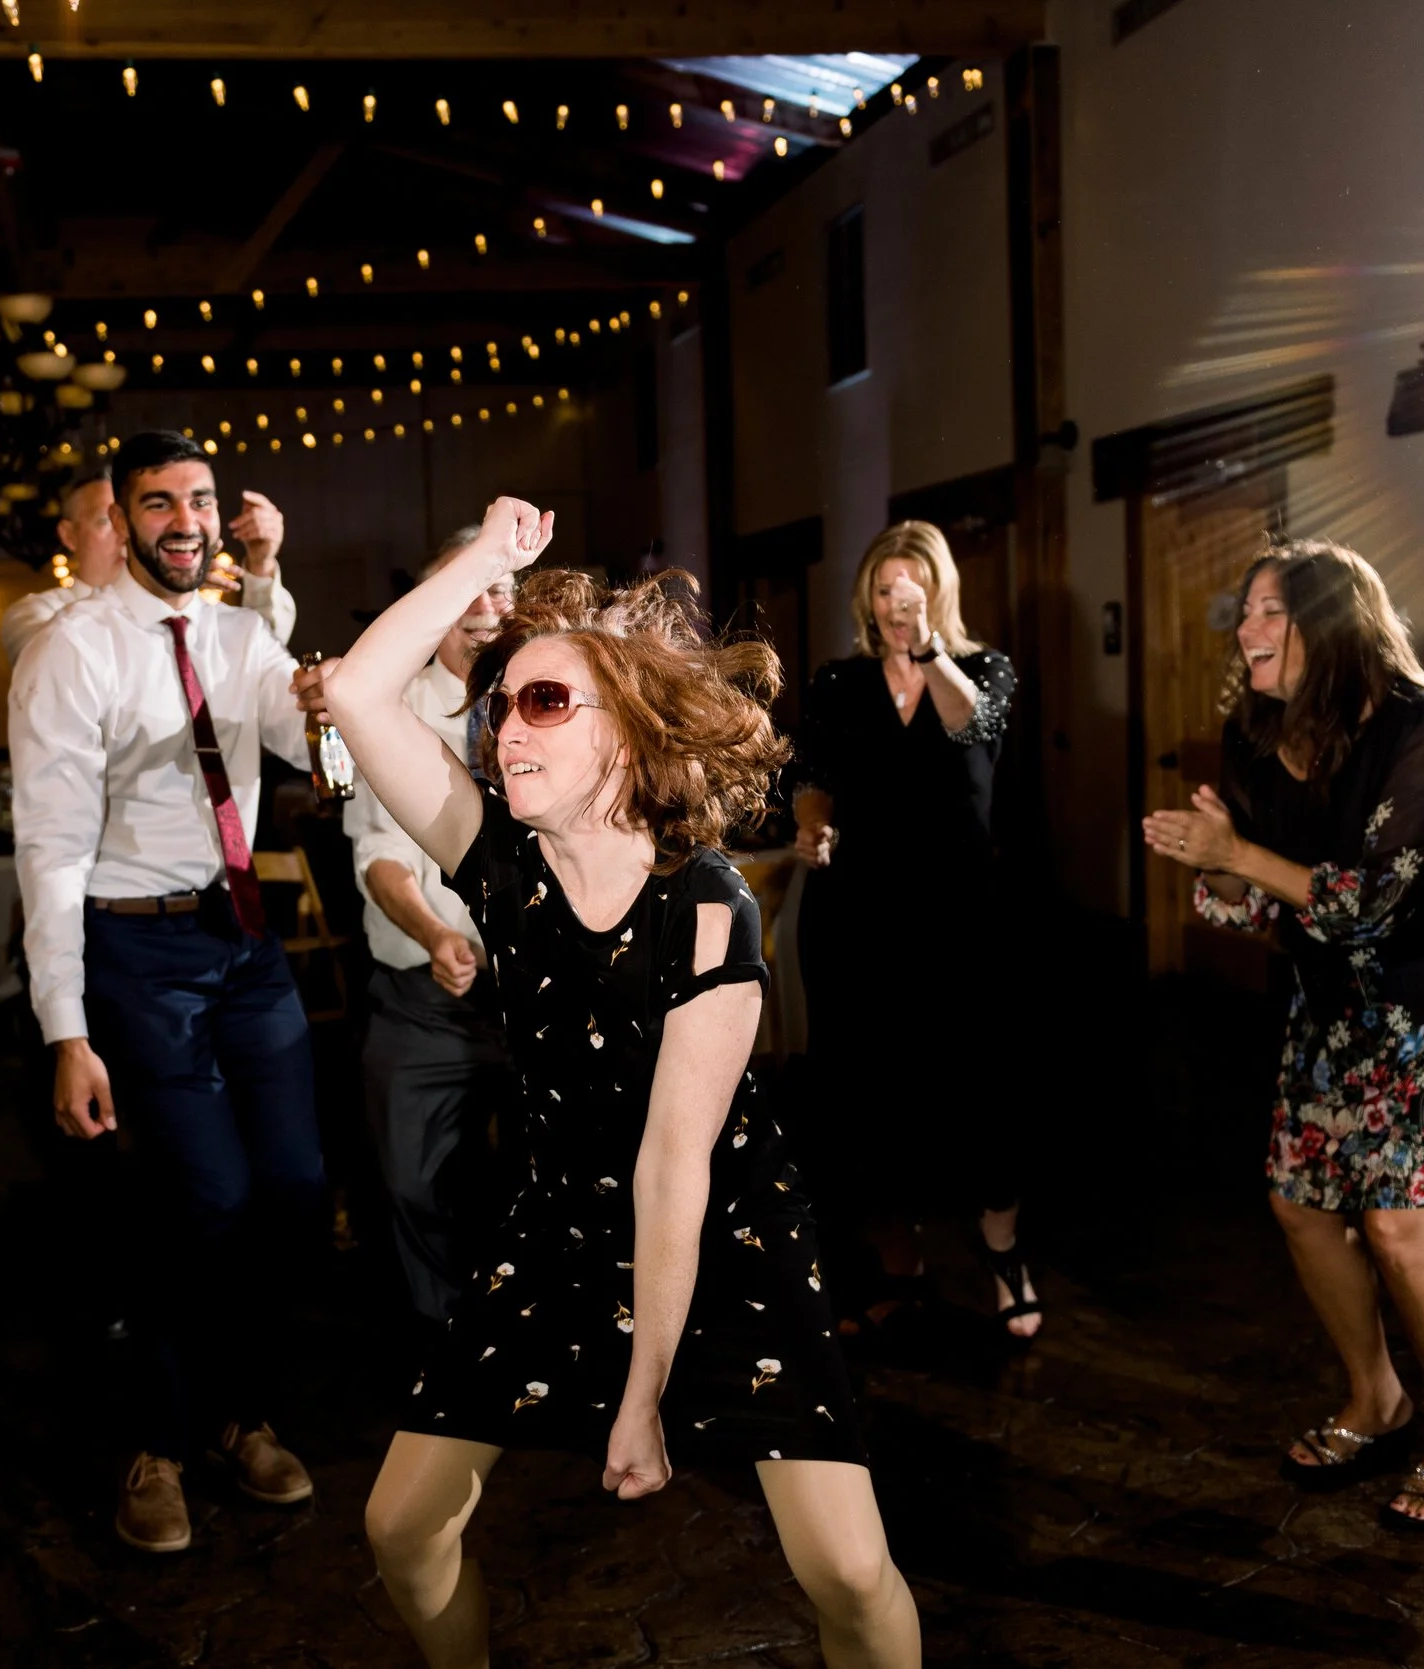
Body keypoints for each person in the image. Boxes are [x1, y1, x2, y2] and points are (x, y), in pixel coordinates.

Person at [322, 500, 920, 1669]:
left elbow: (671, 1164)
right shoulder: (495, 864)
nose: (505, 731)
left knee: (847, 1571)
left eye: (545, 701)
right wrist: (487, 561)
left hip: (724, 1228)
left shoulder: (706, 905)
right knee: (400, 1525)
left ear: (629, 730)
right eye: (500, 709)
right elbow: (355, 691)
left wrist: (641, 1394)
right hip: (556, 1226)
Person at [1141, 538, 1424, 1531]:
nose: (1245, 630)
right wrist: (1223, 865)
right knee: (1297, 1201)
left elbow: (1371, 901)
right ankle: (1378, 1395)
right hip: (1336, 1005)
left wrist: (1238, 853)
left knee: (1398, 1225)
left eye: (1270, 611)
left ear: (1335, 620)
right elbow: (1258, 904)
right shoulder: (1257, 732)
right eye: (1244, 612)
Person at [7, 429, 327, 1556]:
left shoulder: (244, 635)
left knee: (292, 1189)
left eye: (198, 499)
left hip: (244, 939)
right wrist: (66, 1029)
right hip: (134, 951)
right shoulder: (71, 649)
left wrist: (330, 707)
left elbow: (308, 744)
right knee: (207, 1197)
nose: (183, 522)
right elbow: (46, 847)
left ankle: (245, 1414)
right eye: (157, 504)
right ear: (124, 519)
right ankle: (160, 1440)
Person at [788, 521, 1032, 1339]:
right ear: (867, 596)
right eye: (885, 589)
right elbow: (813, 778)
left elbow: (974, 731)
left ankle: (1003, 1254)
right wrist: (813, 825)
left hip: (960, 912)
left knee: (983, 1085)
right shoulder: (837, 681)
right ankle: (901, 1264)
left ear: (936, 595)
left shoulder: (985, 671)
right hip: (859, 912)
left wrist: (930, 654)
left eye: (912, 590)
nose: (898, 604)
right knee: (867, 1093)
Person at [345, 525, 514, 1323]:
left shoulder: (548, 697)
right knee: (412, 1181)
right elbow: (379, 854)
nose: (488, 608)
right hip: (425, 994)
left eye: (502, 588)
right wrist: (437, 935)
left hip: (533, 992)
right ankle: (447, 1358)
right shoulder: (390, 708)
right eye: (468, 589)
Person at [0, 469, 297, 665]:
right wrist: (158, 589)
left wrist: (261, 563)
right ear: (69, 534)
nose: (123, 534)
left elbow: (264, 653)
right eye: (106, 521)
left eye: (131, 521)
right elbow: (65, 659)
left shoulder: (187, 609)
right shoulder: (34, 614)